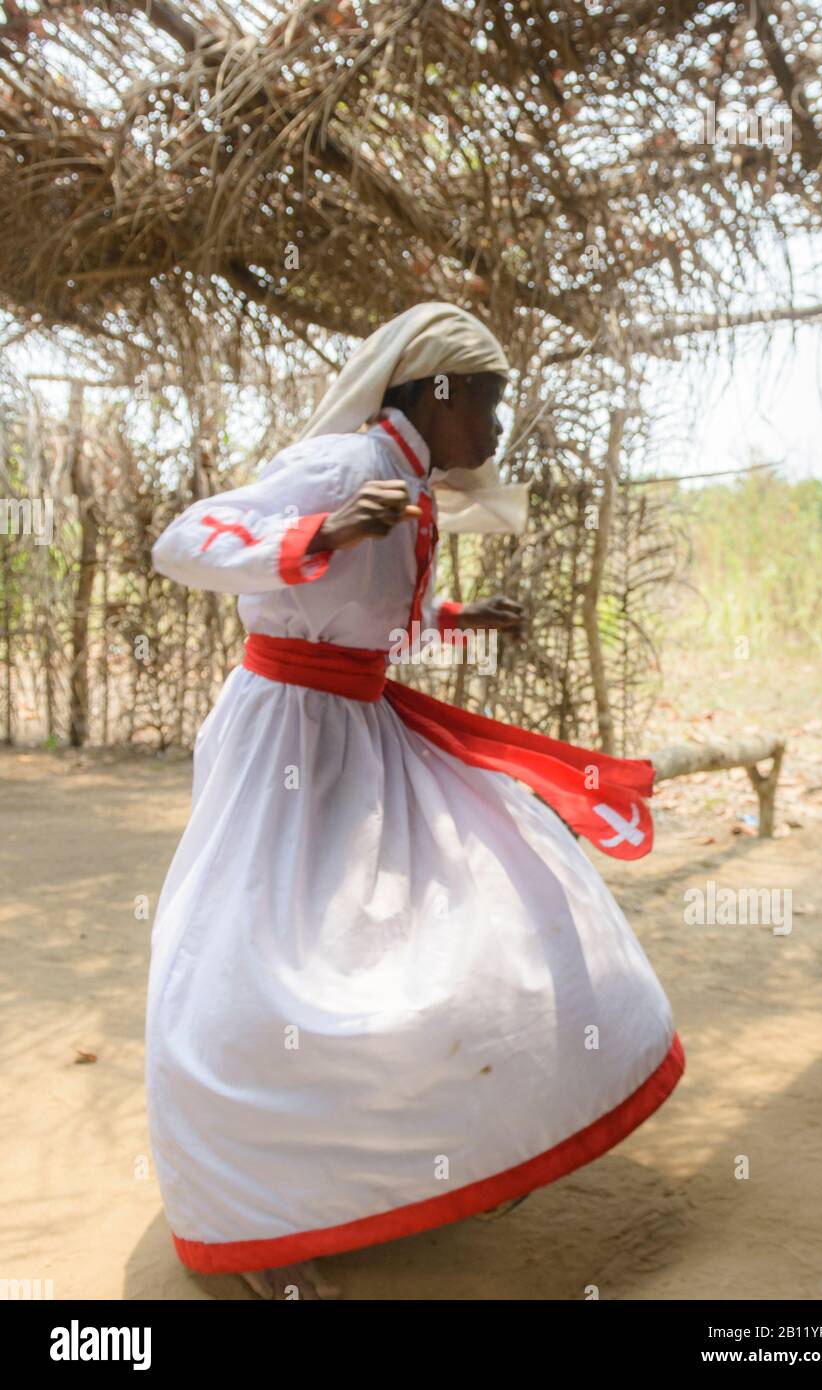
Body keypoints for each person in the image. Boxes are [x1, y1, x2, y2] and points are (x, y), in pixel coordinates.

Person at [146, 302, 684, 1300]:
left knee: (481, 900)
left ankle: (441, 1149)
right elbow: (185, 539)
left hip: (354, 726)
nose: (498, 425)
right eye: (490, 400)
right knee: (265, 955)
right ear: (436, 392)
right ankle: (257, 1221)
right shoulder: (346, 467)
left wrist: (454, 618)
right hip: (288, 737)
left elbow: (355, 617)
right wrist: (317, 527)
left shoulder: (404, 486)